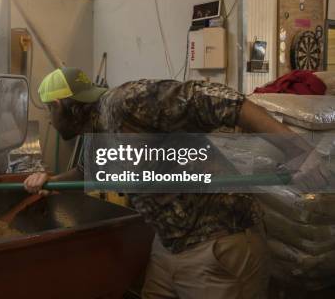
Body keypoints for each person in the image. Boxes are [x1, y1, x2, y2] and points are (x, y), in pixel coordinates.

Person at [24, 67, 322, 299]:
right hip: (170, 245)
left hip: (216, 243)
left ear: (62, 105)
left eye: (49, 108)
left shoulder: (125, 102)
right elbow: (88, 169)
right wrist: (50, 182)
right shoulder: (98, 130)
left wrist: (298, 150)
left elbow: (215, 98)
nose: (49, 119)